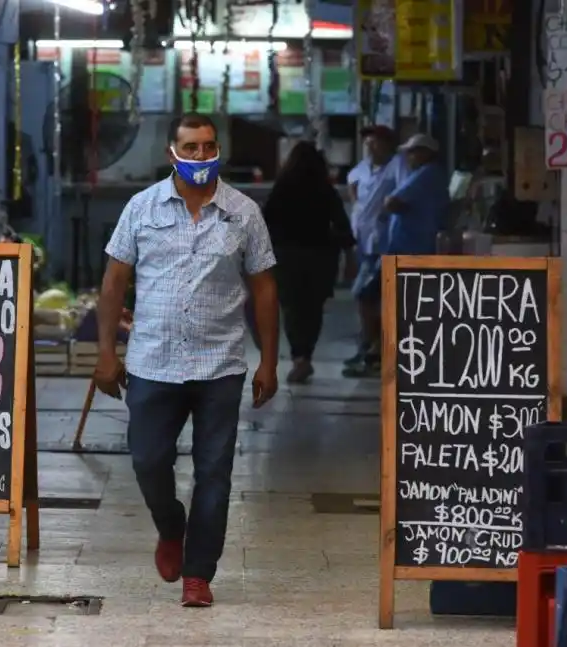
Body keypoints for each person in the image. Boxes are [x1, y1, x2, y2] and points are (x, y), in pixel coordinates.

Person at [94, 112, 279, 608]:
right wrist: (106, 352)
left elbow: (264, 290)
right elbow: (114, 282)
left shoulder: (243, 213)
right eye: (191, 147)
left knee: (214, 473)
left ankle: (199, 574)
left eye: (208, 146)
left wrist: (269, 361)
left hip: (220, 365)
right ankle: (170, 524)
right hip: (153, 362)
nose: (201, 156)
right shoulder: (142, 208)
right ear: (171, 152)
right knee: (148, 461)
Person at [262, 141, 354, 384]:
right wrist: (347, 254)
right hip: (321, 256)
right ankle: (306, 356)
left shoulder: (282, 189)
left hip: (287, 256)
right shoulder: (326, 190)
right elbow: (343, 226)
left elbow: (264, 223)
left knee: (292, 308)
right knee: (313, 309)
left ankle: (299, 358)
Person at [342, 125, 404, 379]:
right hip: (365, 242)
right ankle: (370, 346)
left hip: (385, 243)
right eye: (368, 143)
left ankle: (375, 348)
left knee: (367, 295)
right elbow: (352, 181)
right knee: (368, 298)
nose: (371, 148)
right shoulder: (364, 167)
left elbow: (403, 193)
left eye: (376, 143)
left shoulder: (397, 166)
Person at [383, 134, 450, 257]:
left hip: (412, 247)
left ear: (424, 153)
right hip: (418, 246)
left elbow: (390, 202)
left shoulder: (427, 172)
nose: (408, 157)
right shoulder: (434, 173)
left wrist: (403, 209)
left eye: (411, 152)